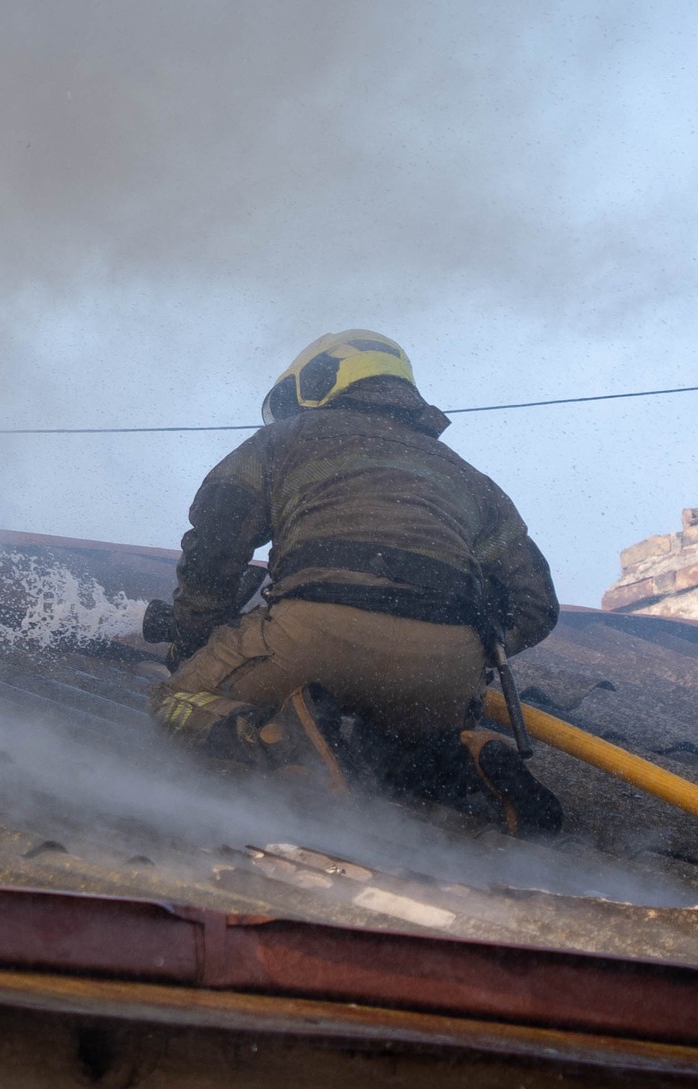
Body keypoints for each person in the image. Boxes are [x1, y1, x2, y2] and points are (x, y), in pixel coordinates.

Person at [147, 330, 564, 835]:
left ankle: (276, 737)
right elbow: (536, 604)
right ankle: (465, 762)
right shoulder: (470, 477)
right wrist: (474, 656)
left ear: (322, 378)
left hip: (315, 634)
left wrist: (196, 638)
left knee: (175, 702)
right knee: (387, 766)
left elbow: (216, 540)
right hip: (445, 673)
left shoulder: (284, 440)